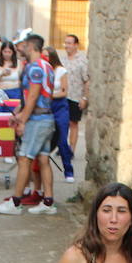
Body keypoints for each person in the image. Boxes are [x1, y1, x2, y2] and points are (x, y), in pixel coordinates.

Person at [0, 33, 57, 215]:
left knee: (24, 159)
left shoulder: (35, 68)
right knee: (43, 159)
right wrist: (18, 113)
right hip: (46, 118)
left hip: (37, 120)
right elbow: (31, 96)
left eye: (24, 46)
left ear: (31, 47)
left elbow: (33, 96)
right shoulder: (47, 66)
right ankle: (48, 201)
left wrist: (22, 119)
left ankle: (15, 201)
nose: (20, 49)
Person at [46, 46, 75, 181]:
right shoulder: (43, 70)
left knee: (62, 139)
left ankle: (68, 171)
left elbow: (64, 91)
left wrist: (50, 95)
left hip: (60, 107)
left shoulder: (61, 71)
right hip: (46, 107)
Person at [62, 34, 89, 153]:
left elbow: (87, 80)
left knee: (73, 123)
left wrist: (85, 98)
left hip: (75, 96)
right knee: (63, 123)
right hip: (63, 96)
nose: (66, 46)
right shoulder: (63, 60)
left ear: (76, 45)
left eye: (69, 43)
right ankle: (63, 146)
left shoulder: (82, 61)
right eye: (65, 43)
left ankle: (71, 149)